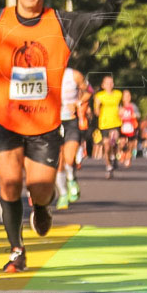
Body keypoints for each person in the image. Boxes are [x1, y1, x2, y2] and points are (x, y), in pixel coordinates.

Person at [0, 0, 127, 273]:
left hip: (44, 125)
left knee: (40, 188)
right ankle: (16, 250)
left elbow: (102, 17)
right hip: (4, 121)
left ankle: (42, 206)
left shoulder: (61, 21)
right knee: (9, 182)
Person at [55, 67, 89, 209]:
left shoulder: (74, 75)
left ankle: (71, 179)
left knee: (69, 159)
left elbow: (88, 92)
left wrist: (78, 103)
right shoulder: (45, 73)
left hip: (70, 121)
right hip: (53, 122)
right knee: (59, 161)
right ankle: (63, 194)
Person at [93, 76, 123, 179]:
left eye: (111, 83)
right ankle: (108, 165)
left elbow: (122, 106)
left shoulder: (118, 94)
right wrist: (97, 109)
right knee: (106, 145)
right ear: (103, 85)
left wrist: (122, 111)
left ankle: (114, 157)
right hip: (104, 124)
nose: (109, 85)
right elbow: (96, 110)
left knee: (113, 142)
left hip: (116, 123)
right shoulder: (99, 96)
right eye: (107, 83)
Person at [118, 89, 139, 167]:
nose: (127, 98)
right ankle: (122, 153)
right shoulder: (120, 106)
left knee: (130, 143)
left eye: (129, 96)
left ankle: (128, 157)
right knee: (122, 142)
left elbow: (138, 114)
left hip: (131, 127)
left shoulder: (133, 106)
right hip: (122, 126)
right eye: (125, 96)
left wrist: (135, 115)